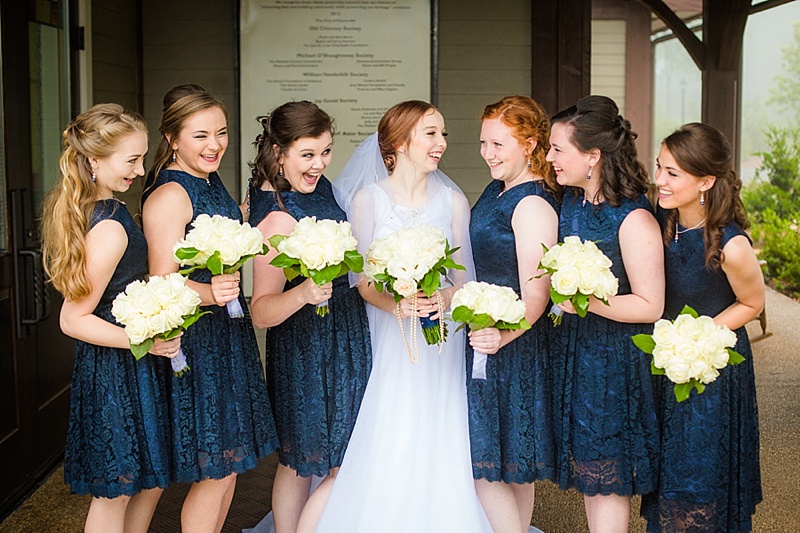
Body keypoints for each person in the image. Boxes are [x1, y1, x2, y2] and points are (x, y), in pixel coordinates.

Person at [298, 100, 492, 532]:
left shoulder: (453, 201)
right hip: (388, 334)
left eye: (442, 134)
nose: (442, 143)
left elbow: (464, 281)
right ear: (402, 142)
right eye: (431, 134)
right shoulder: (369, 199)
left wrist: (442, 298)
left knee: (438, 429)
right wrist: (397, 303)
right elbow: (362, 282)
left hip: (442, 336)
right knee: (389, 426)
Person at [141, 85, 278, 533]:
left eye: (220, 133)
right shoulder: (171, 195)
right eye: (200, 135)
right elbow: (160, 281)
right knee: (216, 468)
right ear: (172, 139)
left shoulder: (207, 180)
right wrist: (208, 291)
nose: (214, 144)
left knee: (231, 466)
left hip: (228, 338)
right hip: (199, 344)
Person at [40, 103, 180, 533]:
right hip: (115, 370)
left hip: (129, 367)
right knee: (115, 493)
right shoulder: (110, 226)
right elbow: (73, 318)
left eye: (141, 158)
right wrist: (145, 341)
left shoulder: (106, 210)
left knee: (147, 482)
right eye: (132, 160)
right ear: (94, 161)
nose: (139, 170)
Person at [245, 101, 371, 533]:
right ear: (279, 153)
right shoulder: (277, 216)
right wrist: (302, 292)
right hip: (306, 352)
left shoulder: (311, 188)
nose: (319, 164)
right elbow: (261, 311)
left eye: (326, 152)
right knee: (324, 462)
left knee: (303, 462)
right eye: (307, 155)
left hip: (343, 338)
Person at [545, 95, 664, 533]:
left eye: (558, 149)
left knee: (607, 479)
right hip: (576, 354)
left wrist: (583, 298)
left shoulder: (631, 218)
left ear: (592, 156)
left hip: (613, 364)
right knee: (592, 481)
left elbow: (650, 304)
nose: (550, 157)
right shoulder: (572, 203)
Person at [640, 123, 764, 532]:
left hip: (712, 371)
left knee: (700, 478)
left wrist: (696, 337)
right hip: (666, 365)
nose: (659, 180)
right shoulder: (661, 219)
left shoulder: (731, 244)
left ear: (706, 180)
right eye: (659, 167)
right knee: (667, 471)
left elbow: (752, 303)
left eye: (672, 173)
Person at [467, 96, 561, 533]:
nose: (487, 153)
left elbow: (536, 296)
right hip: (486, 335)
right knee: (504, 462)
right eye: (483, 142)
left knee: (493, 464)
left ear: (529, 144)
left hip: (513, 347)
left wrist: (499, 338)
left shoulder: (533, 204)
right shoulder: (495, 189)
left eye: (499, 144)